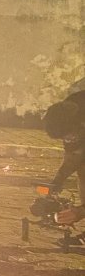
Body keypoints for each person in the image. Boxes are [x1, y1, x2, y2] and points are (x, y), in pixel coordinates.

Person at [45, 90, 85, 226]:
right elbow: (75, 156)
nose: (69, 140)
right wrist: (58, 180)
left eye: (70, 135)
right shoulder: (69, 111)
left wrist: (81, 211)